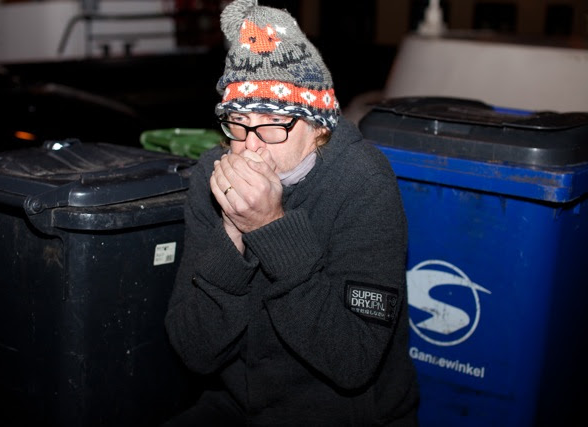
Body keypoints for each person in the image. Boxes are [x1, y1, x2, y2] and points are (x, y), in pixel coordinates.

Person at [163, 0, 419, 425]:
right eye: (237, 122)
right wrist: (232, 237)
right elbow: (194, 351)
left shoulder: (363, 181)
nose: (251, 145)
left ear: (318, 125)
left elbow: (353, 361)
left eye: (272, 122)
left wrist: (269, 227)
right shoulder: (213, 174)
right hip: (238, 405)